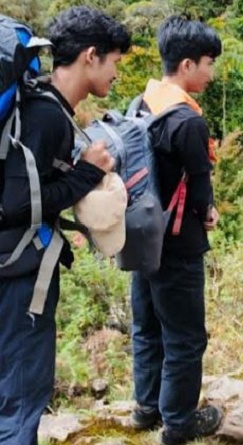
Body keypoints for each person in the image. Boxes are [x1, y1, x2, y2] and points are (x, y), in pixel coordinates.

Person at [0, 7, 129, 444]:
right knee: (20, 402)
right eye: (114, 61)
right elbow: (16, 203)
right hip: (18, 281)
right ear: (90, 56)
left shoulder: (38, 105)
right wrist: (88, 174)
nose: (116, 74)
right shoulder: (47, 115)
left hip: (12, 269)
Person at [128, 16, 223, 445]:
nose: (211, 72)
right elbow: (200, 191)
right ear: (187, 65)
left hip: (140, 238)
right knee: (186, 337)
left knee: (147, 326)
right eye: (208, 63)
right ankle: (179, 423)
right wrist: (209, 213)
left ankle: (146, 409)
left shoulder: (140, 103)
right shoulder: (188, 121)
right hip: (179, 246)